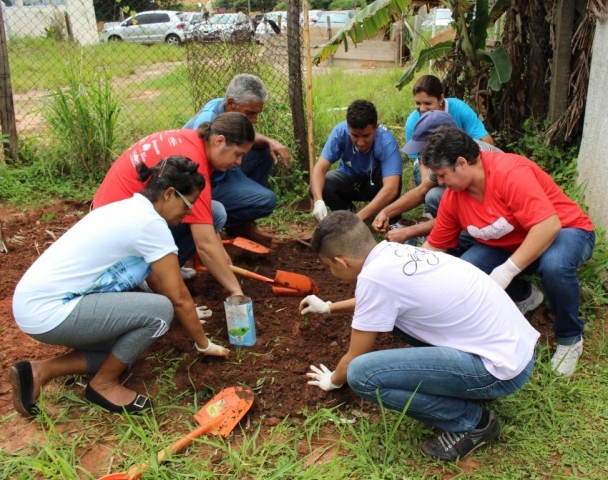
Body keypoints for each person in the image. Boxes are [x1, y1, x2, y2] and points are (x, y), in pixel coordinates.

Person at [301, 211, 539, 462]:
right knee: (392, 321)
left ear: (341, 261)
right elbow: (375, 301)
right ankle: (466, 386)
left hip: (500, 370)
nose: (331, 272)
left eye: (328, 266)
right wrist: (329, 307)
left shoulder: (374, 278)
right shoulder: (393, 253)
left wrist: (333, 381)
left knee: (361, 375)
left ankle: (472, 422)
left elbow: (353, 358)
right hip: (516, 347)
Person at [10, 156, 229, 417]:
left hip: (34, 305)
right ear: (169, 194)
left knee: (124, 351)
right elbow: (178, 297)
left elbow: (156, 278)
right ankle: (103, 385)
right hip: (51, 311)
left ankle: (39, 371)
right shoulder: (150, 224)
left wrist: (187, 315)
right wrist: (203, 344)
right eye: (188, 203)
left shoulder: (129, 209)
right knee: (160, 311)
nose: (189, 212)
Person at [420, 126, 596, 377]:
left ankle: (570, 337)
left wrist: (507, 271)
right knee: (470, 268)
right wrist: (405, 267)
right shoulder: (454, 197)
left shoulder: (510, 173)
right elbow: (435, 247)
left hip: (565, 231)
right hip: (513, 242)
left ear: (461, 163)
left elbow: (548, 225)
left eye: (441, 175)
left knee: (555, 265)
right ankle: (526, 295)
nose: (439, 183)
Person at [94, 112, 254, 299]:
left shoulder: (192, 140)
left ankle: (165, 267)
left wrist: (219, 250)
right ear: (219, 141)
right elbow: (204, 243)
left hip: (109, 214)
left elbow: (205, 221)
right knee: (212, 216)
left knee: (215, 212)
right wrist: (236, 291)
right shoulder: (194, 161)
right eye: (238, 154)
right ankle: (151, 275)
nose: (238, 162)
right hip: (117, 236)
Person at [184, 74, 291, 244]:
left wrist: (268, 141)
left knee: (263, 152)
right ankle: (223, 219)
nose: (254, 120)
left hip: (219, 169)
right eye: (251, 113)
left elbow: (245, 132)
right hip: (203, 180)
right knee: (266, 201)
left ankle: (241, 224)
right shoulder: (205, 125)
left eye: (257, 113)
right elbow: (192, 177)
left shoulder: (220, 104)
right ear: (231, 104)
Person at [373, 110, 501, 246]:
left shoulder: (473, 161)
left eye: (422, 149)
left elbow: (453, 215)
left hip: (494, 217)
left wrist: (408, 232)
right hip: (476, 211)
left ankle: (465, 236)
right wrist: (386, 212)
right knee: (432, 195)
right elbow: (421, 190)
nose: (421, 155)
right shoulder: (444, 160)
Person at [310, 100, 403, 224]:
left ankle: (392, 221)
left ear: (376, 127)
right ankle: (347, 212)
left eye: (366, 136)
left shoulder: (387, 142)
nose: (360, 143)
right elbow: (319, 169)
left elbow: (391, 188)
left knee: (393, 177)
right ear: (348, 127)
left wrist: (358, 219)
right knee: (319, 186)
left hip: (376, 185)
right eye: (354, 135)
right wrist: (318, 201)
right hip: (350, 180)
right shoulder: (340, 132)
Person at [404, 75, 494, 187]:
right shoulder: (412, 122)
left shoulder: (459, 109)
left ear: (441, 99)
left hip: (461, 157)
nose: (422, 109)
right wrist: (425, 187)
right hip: (430, 163)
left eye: (428, 103)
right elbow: (423, 162)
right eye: (418, 103)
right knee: (432, 192)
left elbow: (486, 140)